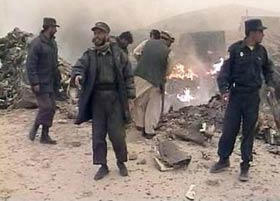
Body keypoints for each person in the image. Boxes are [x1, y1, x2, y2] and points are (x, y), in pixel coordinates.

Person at [210, 19, 275, 182]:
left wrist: (270, 84)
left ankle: (245, 165)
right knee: (229, 129)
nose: (263, 35)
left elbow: (268, 70)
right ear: (252, 33)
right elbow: (224, 72)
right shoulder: (235, 49)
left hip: (253, 96)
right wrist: (224, 90)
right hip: (236, 95)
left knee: (248, 132)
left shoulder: (262, 51)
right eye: (260, 32)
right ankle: (223, 160)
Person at [71, 22, 136, 180]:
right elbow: (79, 66)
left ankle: (121, 162)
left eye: (100, 33)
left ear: (107, 35)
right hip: (97, 100)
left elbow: (128, 75)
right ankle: (103, 165)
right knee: (98, 135)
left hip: (114, 98)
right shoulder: (90, 54)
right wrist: (78, 75)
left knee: (117, 135)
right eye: (95, 33)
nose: (96, 36)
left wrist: (130, 96)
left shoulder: (118, 54)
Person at [132, 31, 174, 138]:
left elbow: (135, 53)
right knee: (153, 106)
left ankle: (139, 125)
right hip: (156, 82)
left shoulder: (147, 43)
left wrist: (142, 62)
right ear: (167, 41)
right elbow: (169, 71)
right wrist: (161, 74)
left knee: (139, 102)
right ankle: (149, 131)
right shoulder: (169, 52)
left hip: (140, 76)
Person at [26, 17, 61, 145]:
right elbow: (31, 65)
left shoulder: (53, 43)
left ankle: (44, 135)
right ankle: (35, 128)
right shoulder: (37, 44)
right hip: (40, 82)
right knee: (46, 107)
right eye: (54, 28)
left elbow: (55, 64)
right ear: (49, 28)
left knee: (51, 108)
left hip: (51, 82)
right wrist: (34, 82)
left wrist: (58, 80)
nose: (55, 30)